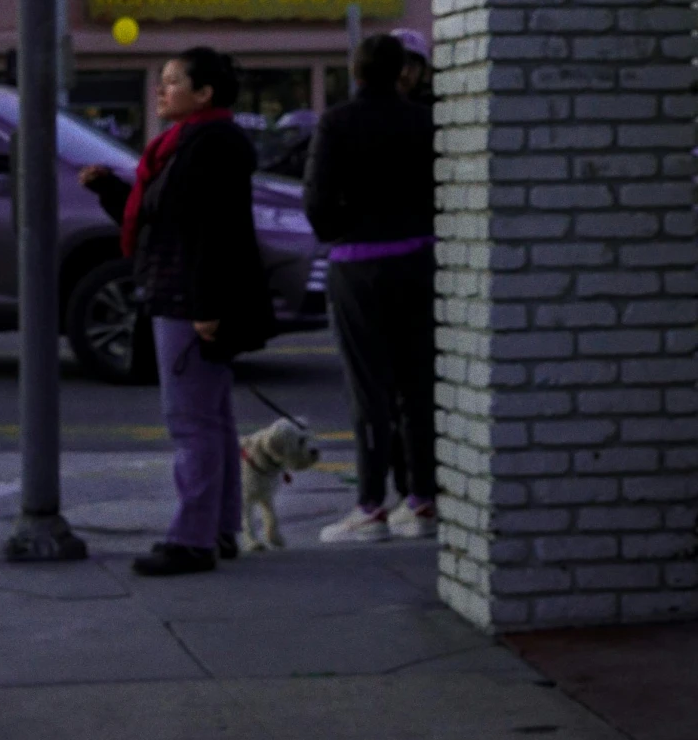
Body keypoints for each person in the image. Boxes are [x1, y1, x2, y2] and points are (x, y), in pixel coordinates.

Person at [81, 48, 273, 576]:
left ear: (204, 92)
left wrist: (209, 306)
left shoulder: (209, 146)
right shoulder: (184, 143)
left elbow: (214, 230)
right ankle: (218, 529)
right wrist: (109, 190)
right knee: (211, 421)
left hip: (189, 298)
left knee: (192, 424)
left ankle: (192, 540)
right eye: (161, 82)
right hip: (180, 292)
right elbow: (161, 217)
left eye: (172, 82)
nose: (161, 90)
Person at [304, 31, 437, 542]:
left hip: (359, 263)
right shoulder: (423, 121)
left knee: (368, 391)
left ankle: (369, 505)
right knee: (416, 386)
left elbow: (317, 201)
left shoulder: (337, 122)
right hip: (418, 259)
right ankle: (421, 498)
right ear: (403, 71)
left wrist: (342, 230)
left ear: (356, 72)